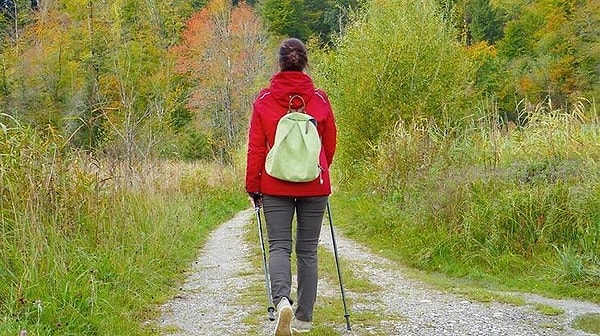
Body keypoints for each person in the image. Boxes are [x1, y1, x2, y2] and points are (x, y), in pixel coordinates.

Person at [245, 38, 337, 336]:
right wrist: (320, 169)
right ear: (305, 63)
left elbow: (256, 148)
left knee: (279, 246)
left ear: (280, 63)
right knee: (308, 251)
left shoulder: (264, 99)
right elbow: (330, 144)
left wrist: (253, 186)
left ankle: (282, 300)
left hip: (275, 184)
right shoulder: (320, 100)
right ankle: (304, 319)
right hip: (314, 184)